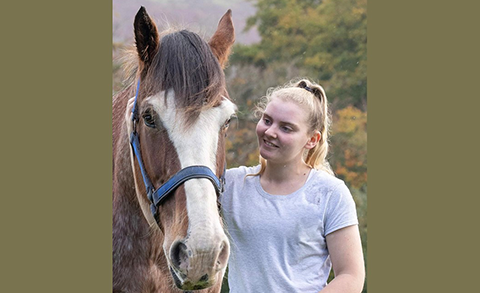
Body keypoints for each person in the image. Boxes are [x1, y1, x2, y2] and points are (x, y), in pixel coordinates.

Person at [220, 78, 365, 292]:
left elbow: (351, 276)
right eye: (267, 120)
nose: (270, 132)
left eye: (286, 128)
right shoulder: (230, 185)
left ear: (312, 140)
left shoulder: (330, 194)